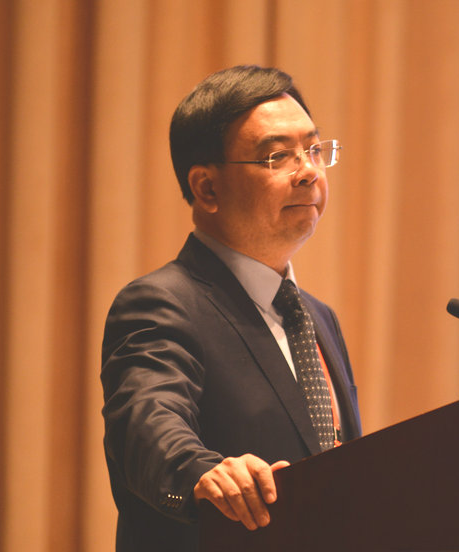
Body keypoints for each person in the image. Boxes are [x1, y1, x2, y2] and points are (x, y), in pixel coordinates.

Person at [100, 65, 362, 552]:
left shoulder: (317, 316)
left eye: (313, 150)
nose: (308, 171)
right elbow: (146, 421)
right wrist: (203, 471)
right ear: (207, 188)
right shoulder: (160, 304)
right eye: (277, 156)